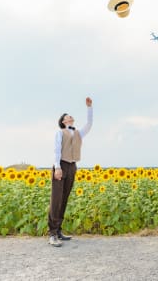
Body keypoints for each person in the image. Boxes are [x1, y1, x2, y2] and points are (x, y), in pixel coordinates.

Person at [48, 97, 93, 247]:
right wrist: (57, 167)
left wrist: (89, 107)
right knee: (56, 199)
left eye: (70, 116)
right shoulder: (60, 132)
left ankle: (59, 230)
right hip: (61, 165)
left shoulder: (78, 132)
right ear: (63, 121)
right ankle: (52, 233)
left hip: (72, 166)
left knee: (64, 198)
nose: (70, 117)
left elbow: (89, 124)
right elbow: (56, 150)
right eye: (67, 116)